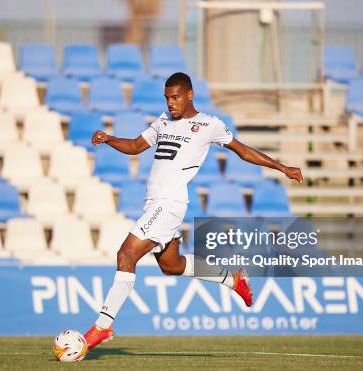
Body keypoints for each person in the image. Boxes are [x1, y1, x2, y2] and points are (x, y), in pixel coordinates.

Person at [84, 72, 303, 349]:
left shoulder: (208, 124)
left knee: (126, 254)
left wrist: (282, 168)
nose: (170, 103)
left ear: (189, 95)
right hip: (154, 202)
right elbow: (136, 146)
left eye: (175, 97)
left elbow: (243, 151)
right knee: (171, 265)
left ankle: (103, 326)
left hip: (169, 203)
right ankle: (233, 280)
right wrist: (109, 138)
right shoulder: (163, 121)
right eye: (167, 98)